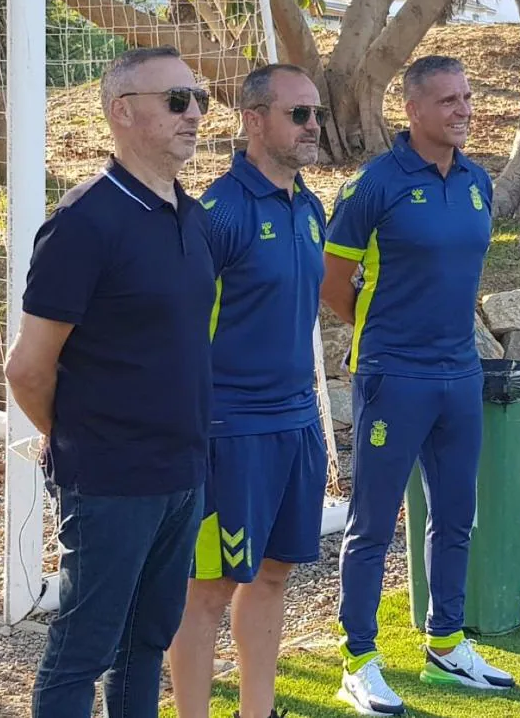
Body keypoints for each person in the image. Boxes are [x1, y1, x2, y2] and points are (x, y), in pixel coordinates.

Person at [5, 46, 215, 718]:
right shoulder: (83, 223)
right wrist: (72, 440)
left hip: (181, 474)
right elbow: (27, 368)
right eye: (177, 100)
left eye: (199, 97)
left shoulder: (191, 215)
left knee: (145, 644)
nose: (196, 113)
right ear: (124, 113)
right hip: (110, 480)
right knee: (83, 652)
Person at [320, 55, 514, 716]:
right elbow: (332, 280)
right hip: (392, 375)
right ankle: (358, 660)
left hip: (459, 373)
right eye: (448, 101)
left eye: (467, 97)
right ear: (413, 109)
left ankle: (446, 644)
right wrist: (386, 335)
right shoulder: (374, 185)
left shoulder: (478, 182)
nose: (463, 110)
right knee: (373, 522)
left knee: (457, 513)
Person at [167, 63, 330, 718]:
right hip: (231, 433)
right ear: (254, 120)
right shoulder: (218, 214)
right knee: (208, 588)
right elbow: (174, 330)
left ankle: (256, 712)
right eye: (299, 114)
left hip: (298, 424)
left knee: (273, 573)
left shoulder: (312, 208)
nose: (313, 125)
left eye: (316, 113)